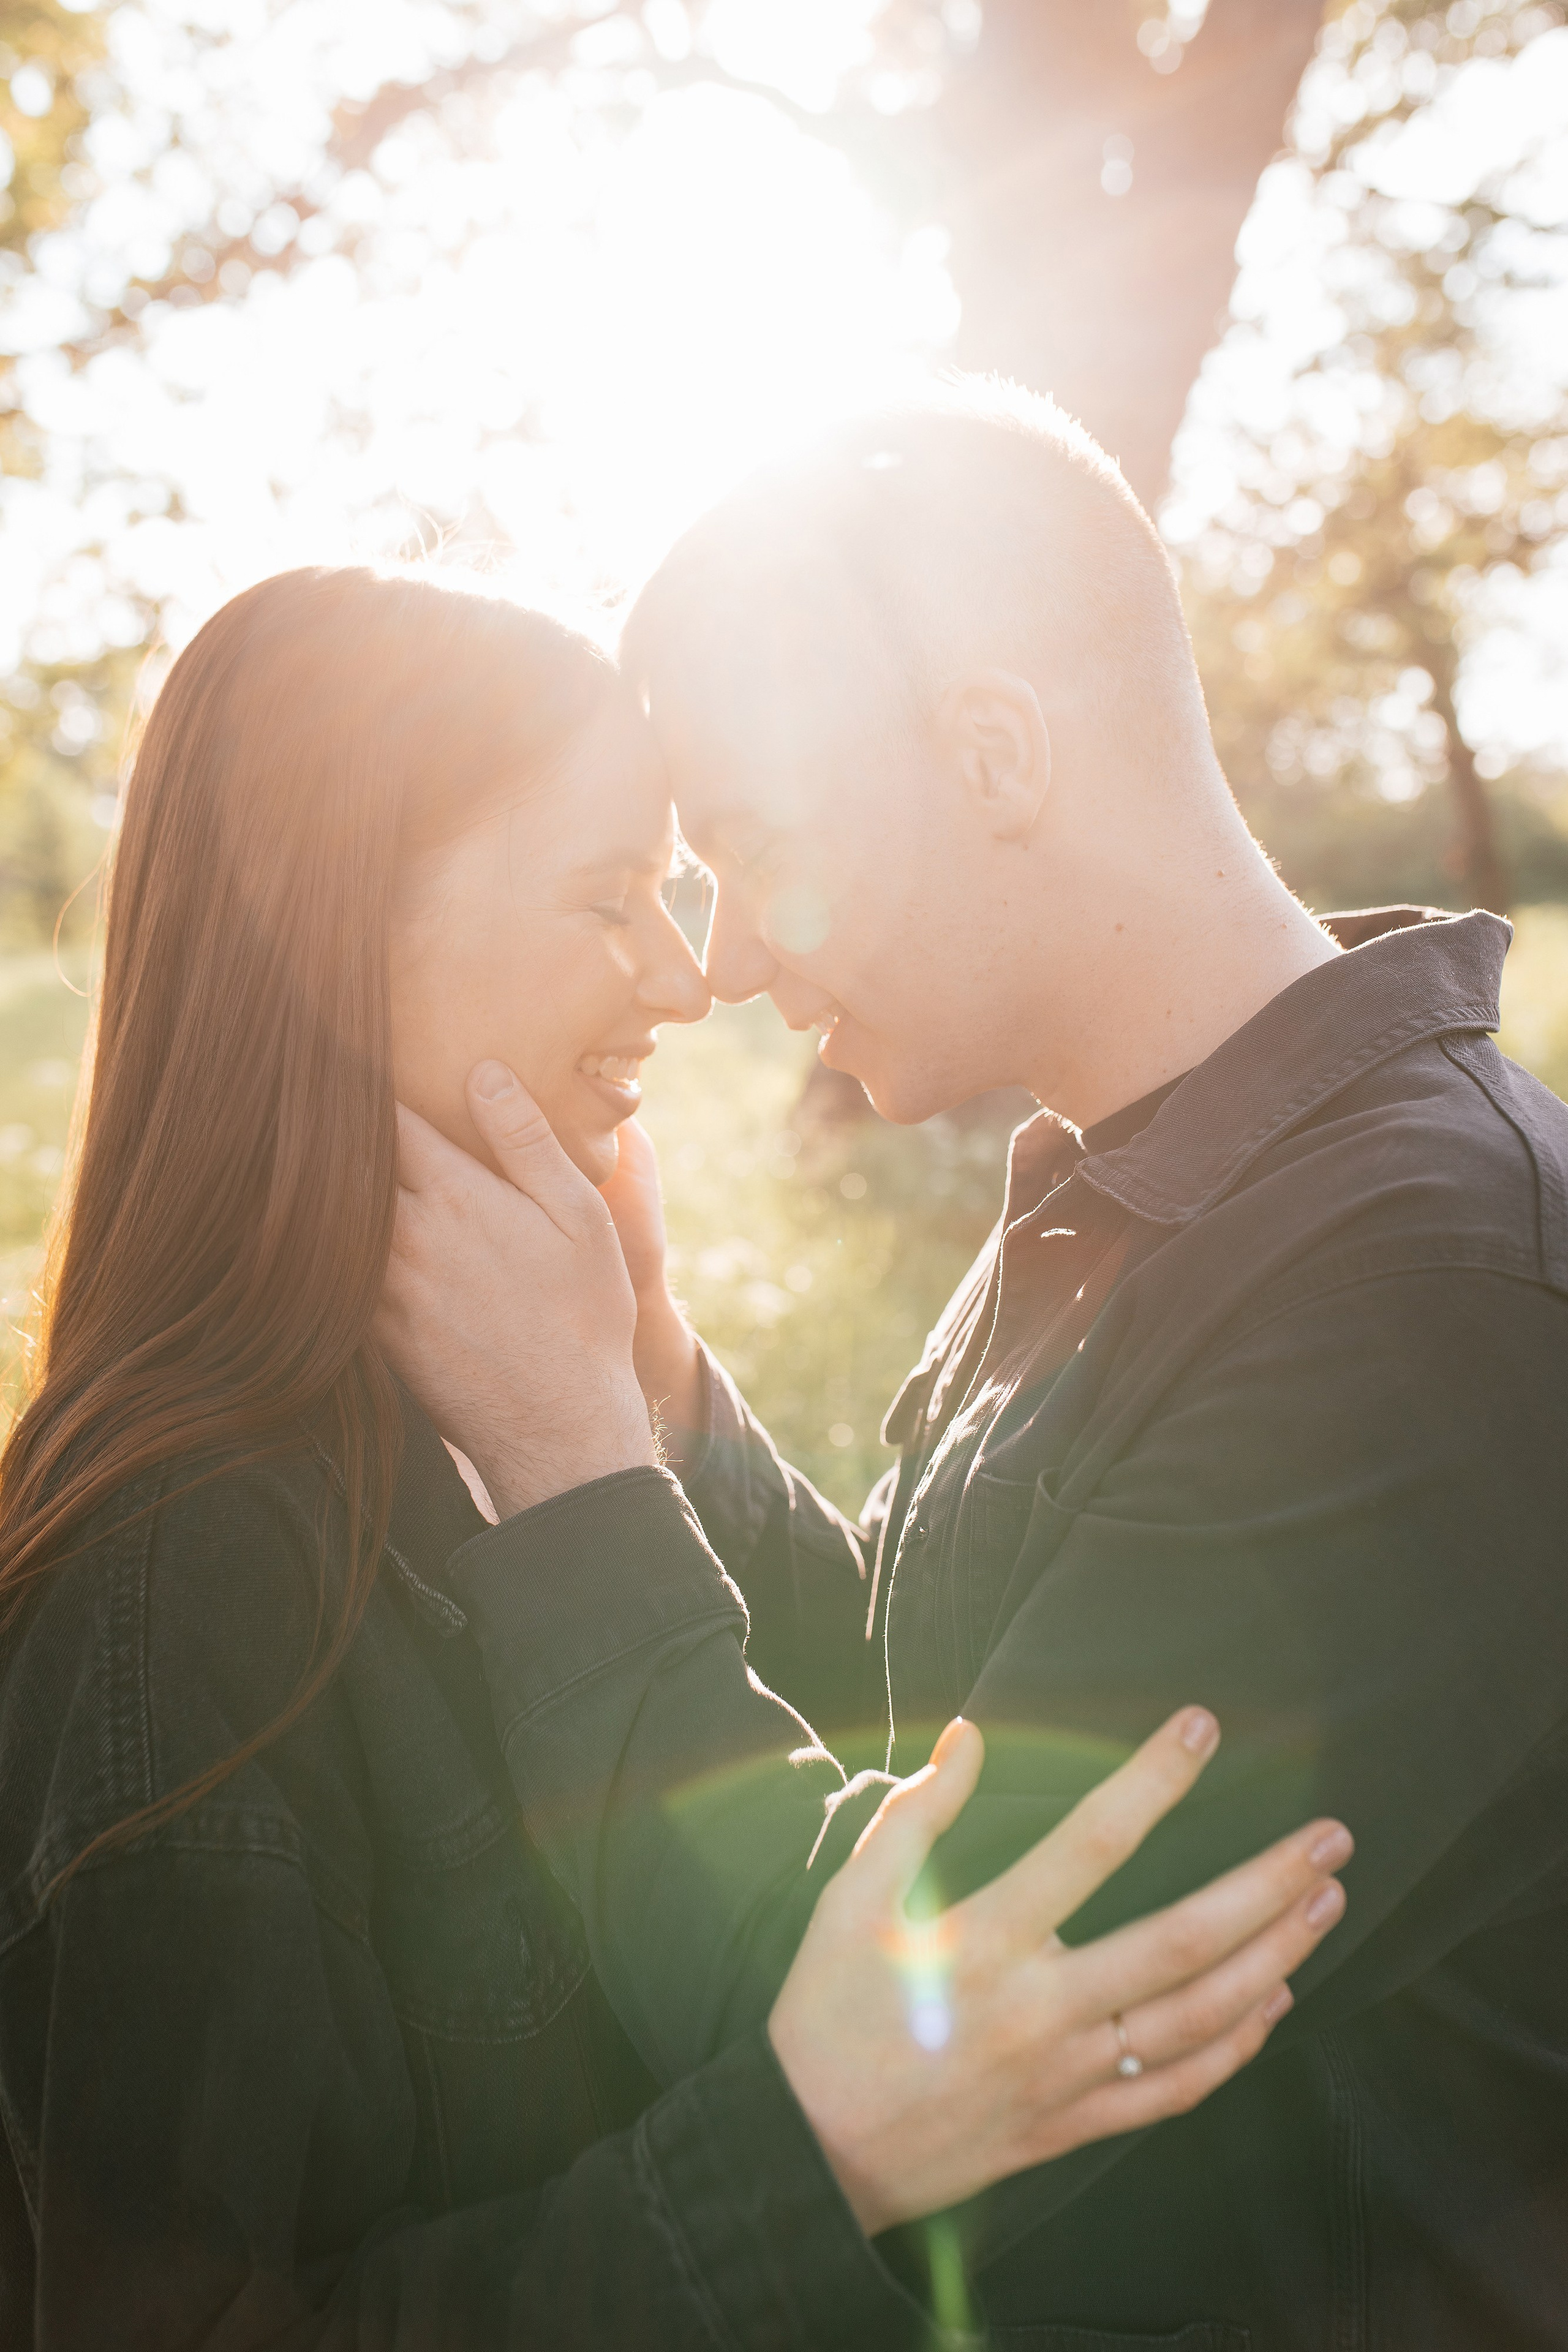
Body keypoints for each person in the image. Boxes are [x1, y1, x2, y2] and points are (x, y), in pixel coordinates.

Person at [0, 565, 1349, 2351]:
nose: (684, 976)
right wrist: (815, 2159)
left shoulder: (512, 1402)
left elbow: (885, 1730)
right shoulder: (185, 1581)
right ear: (333, 934)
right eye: (605, 898)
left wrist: (649, 1401)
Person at [382, 381, 1568, 2349]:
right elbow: (940, 1727)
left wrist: (579, 1482)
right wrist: (668, 1403)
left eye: (753, 849)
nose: (731, 957)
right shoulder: (1139, 1184)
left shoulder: (1419, 1285)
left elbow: (924, 2021)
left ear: (995, 750)